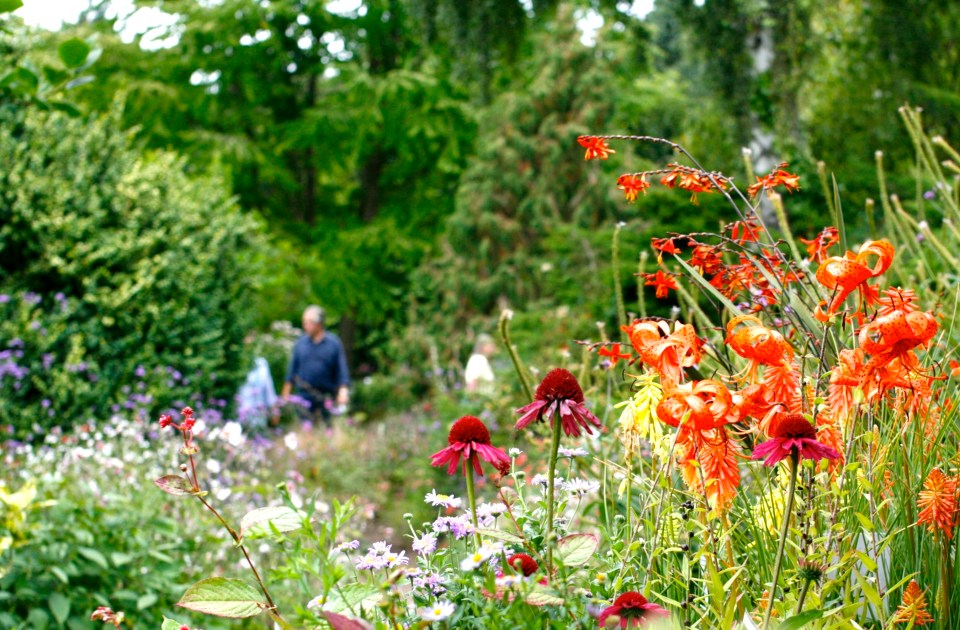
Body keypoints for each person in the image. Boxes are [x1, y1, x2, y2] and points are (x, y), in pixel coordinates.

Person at [280, 305, 350, 426]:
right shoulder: (300, 344)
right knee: (305, 431)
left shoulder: (333, 343)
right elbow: (291, 372)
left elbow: (341, 370)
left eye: (308, 322)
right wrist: (285, 396)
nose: (305, 326)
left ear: (318, 323)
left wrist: (343, 390)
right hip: (304, 396)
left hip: (327, 396)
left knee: (327, 431)